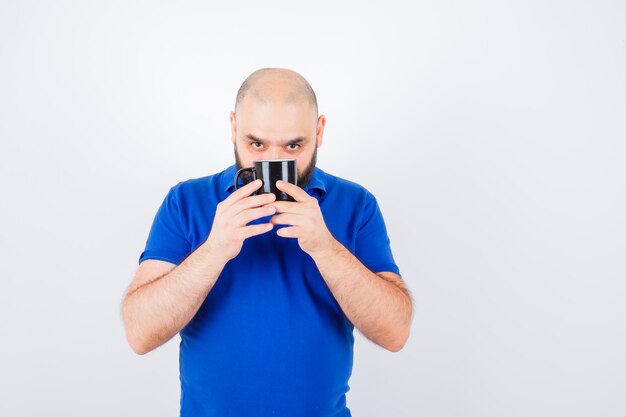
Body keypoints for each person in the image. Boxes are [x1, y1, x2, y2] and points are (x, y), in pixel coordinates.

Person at [121, 68, 413, 417]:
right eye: (256, 144)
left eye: (293, 145)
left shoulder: (356, 204)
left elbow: (395, 332)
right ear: (233, 128)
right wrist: (213, 251)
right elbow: (140, 333)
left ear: (319, 132)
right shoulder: (186, 201)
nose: (273, 162)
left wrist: (326, 248)